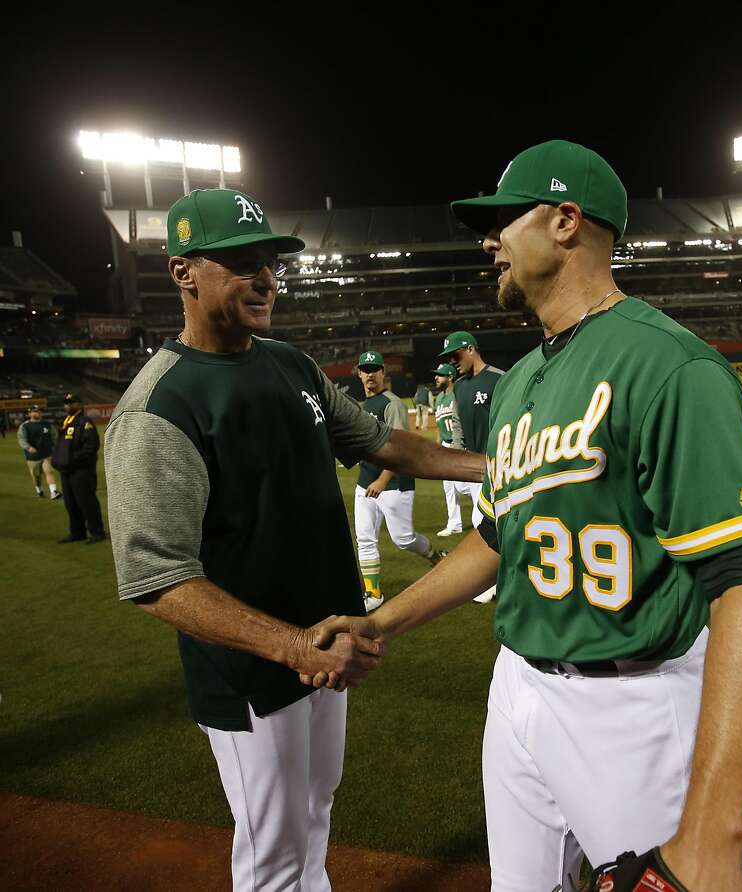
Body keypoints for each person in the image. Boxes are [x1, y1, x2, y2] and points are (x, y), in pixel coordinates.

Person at [305, 140, 742, 892]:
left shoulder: (669, 365)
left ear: (567, 221)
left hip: (634, 699)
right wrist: (380, 623)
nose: (488, 243)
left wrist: (717, 838)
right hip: (519, 686)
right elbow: (500, 535)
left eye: (504, 221)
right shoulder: (524, 376)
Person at [103, 188, 484, 892]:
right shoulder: (161, 404)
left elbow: (382, 442)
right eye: (243, 263)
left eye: (271, 263)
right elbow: (155, 579)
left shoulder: (289, 362)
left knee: (314, 822)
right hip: (254, 671)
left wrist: (496, 467)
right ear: (183, 273)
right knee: (274, 857)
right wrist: (291, 646)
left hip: (328, 647)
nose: (267, 278)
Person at [353, 350, 447, 612]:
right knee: (365, 538)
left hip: (393, 484)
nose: (370, 374)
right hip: (365, 481)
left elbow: (401, 448)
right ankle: (373, 593)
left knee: (403, 538)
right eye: (365, 369)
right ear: (359, 373)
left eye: (375, 369)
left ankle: (436, 556)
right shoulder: (364, 406)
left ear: (384, 373)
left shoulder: (391, 404)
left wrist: (383, 479)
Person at [438, 329, 504, 602]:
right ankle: (496, 581)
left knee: (494, 524)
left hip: (502, 466)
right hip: (477, 470)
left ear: (470, 349)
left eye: (454, 355)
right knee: (485, 523)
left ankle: (494, 582)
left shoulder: (499, 379)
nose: (452, 361)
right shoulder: (460, 388)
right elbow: (459, 432)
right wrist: (455, 459)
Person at [52, 393, 105, 543]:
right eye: (66, 403)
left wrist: (71, 460)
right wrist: (58, 460)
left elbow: (91, 447)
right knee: (71, 503)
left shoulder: (84, 422)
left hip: (81, 470)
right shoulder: (67, 422)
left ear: (80, 404)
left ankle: (97, 532)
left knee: (86, 502)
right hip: (66, 470)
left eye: (72, 402)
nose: (68, 405)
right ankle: (77, 532)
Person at [432, 361, 471, 536]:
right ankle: (454, 523)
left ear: (450, 377)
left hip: (460, 446)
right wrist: (438, 447)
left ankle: (490, 499)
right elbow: (440, 426)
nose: (436, 377)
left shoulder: (459, 393)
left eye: (439, 375)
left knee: (462, 487)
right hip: (445, 447)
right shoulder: (438, 398)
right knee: (449, 488)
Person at [18, 405, 60, 499]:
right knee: (36, 476)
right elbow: (21, 439)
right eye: (35, 411)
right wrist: (28, 447)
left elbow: (54, 436)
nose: (38, 413)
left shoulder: (47, 424)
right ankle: (39, 490)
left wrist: (56, 447)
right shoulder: (25, 426)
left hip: (47, 454)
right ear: (29, 414)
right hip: (32, 456)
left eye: (40, 411)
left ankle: (53, 492)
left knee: (49, 471)